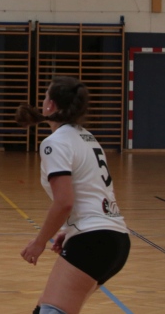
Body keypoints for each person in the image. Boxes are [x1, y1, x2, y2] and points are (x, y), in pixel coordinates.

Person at [15, 76, 130, 314]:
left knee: (51, 311)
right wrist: (70, 230)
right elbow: (93, 191)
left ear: (51, 105)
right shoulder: (87, 137)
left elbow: (64, 202)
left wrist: (39, 243)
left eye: (45, 96)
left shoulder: (55, 143)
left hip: (94, 239)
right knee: (45, 310)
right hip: (115, 238)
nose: (43, 101)